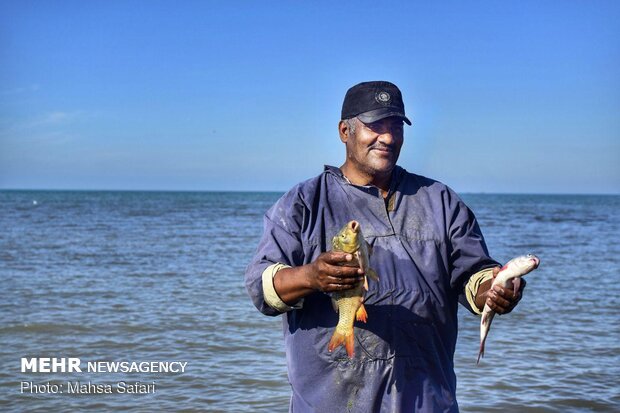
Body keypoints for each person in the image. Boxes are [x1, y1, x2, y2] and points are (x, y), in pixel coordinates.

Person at [245, 81, 525, 412]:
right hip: (330, 402)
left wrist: (496, 288)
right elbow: (261, 288)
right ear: (344, 131)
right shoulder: (304, 202)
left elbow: (473, 278)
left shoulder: (441, 201)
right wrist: (311, 277)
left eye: (396, 126)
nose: (388, 137)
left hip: (428, 400)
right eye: (375, 125)